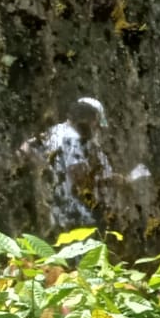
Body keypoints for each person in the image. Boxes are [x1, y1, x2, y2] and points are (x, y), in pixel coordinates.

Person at [20, 97, 116, 229]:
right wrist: (110, 180)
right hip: (80, 214)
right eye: (96, 122)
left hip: (61, 210)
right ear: (87, 119)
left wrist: (47, 168)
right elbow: (80, 177)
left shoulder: (55, 131)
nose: (97, 127)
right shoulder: (73, 140)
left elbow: (25, 148)